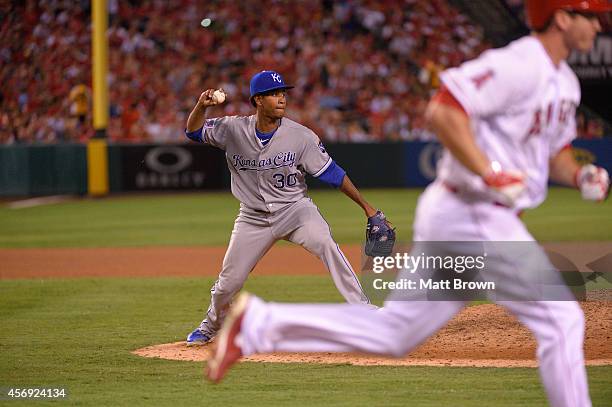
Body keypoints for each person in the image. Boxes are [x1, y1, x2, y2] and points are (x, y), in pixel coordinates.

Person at [205, 2, 611, 406]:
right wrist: (489, 172)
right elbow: (443, 111)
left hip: (465, 216)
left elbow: (555, 151)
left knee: (395, 333)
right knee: (561, 321)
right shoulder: (519, 64)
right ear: (562, 18)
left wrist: (578, 175)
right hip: (474, 211)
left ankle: (261, 323)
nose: (600, 23)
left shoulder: (565, 83)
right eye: (591, 16)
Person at [184, 70, 390, 345]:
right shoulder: (232, 129)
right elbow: (194, 131)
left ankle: (364, 311)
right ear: (257, 100)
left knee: (327, 245)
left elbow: (333, 174)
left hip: (295, 211)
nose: (281, 98)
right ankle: (212, 325)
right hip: (252, 218)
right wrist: (201, 106)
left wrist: (368, 208)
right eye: (273, 94)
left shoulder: (301, 136)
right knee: (227, 284)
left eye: (283, 93)